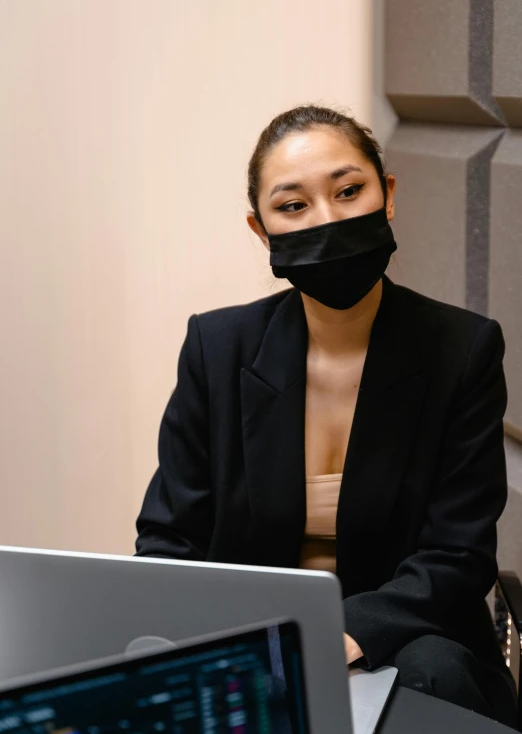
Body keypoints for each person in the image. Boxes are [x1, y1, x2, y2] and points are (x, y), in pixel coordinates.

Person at [136, 105, 517, 726]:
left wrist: (341, 634)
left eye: (348, 191)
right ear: (262, 231)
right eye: (294, 206)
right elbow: (168, 539)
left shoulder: (463, 348)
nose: (329, 219)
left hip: (415, 643)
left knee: (436, 680)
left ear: (387, 195)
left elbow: (458, 554)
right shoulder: (216, 347)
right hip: (255, 644)